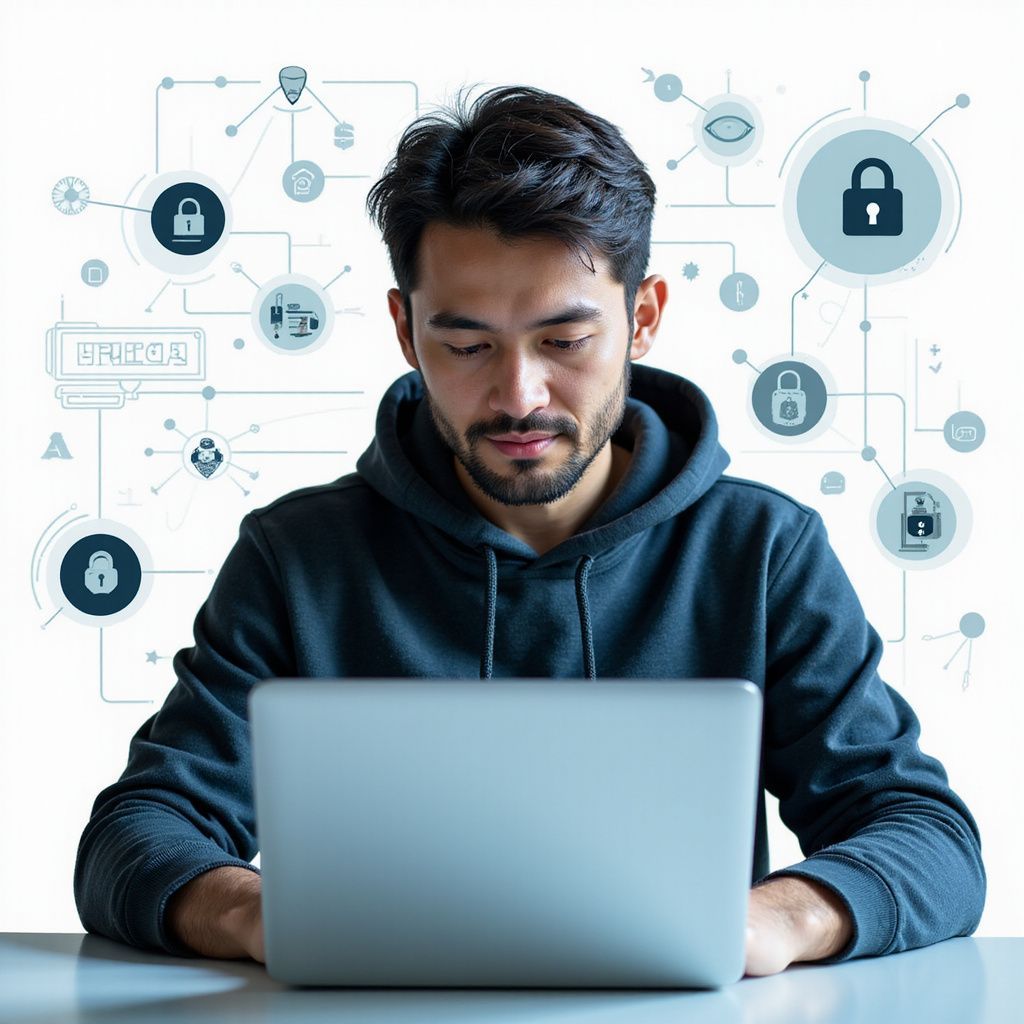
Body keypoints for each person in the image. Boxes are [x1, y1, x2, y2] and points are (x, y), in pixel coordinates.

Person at [74, 84, 986, 978]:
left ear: (644, 316)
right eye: (466, 345)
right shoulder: (297, 558)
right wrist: (260, 913)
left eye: (564, 340)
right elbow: (134, 832)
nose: (519, 396)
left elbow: (927, 837)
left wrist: (776, 921)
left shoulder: (763, 552)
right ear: (404, 330)